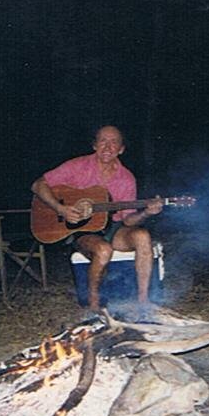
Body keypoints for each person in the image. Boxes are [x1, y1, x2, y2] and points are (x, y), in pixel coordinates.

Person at [31, 125, 163, 311]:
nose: (108, 147)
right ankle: (94, 306)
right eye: (103, 141)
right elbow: (38, 185)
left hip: (111, 227)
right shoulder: (76, 166)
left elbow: (127, 221)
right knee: (103, 249)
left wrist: (146, 212)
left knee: (142, 236)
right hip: (81, 230)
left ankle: (143, 301)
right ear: (94, 145)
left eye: (114, 142)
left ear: (121, 149)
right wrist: (60, 208)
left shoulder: (126, 178)